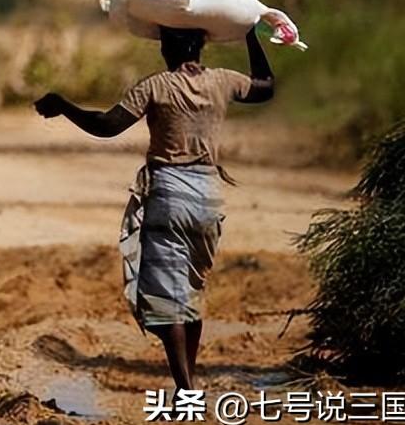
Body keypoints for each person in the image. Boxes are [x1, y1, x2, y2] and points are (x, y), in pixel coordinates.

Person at [33, 25, 274, 398]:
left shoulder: (156, 86)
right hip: (209, 198)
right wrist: (250, 37)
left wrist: (63, 106)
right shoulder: (224, 81)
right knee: (190, 290)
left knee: (165, 300)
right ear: (201, 48)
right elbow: (265, 86)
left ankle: (186, 391)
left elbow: (107, 125)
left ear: (165, 50)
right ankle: (187, 384)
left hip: (169, 196)